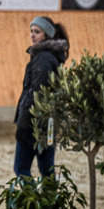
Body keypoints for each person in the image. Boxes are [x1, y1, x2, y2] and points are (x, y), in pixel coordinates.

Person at [13, 15, 69, 177]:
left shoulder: (43, 59)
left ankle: (31, 195)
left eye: (37, 32)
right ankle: (50, 195)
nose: (32, 35)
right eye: (31, 31)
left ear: (47, 34)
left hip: (34, 124)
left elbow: (35, 94)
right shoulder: (50, 57)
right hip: (48, 122)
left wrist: (23, 125)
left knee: (21, 169)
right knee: (47, 170)